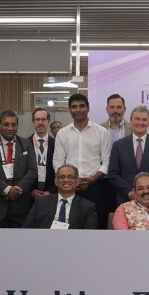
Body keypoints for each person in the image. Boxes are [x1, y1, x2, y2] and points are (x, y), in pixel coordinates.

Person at [52, 94, 111, 228]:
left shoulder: (102, 132)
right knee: (68, 224)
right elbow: (57, 161)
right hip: (68, 187)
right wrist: (69, 179)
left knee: (95, 224)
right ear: (70, 110)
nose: (78, 109)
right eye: (74, 107)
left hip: (94, 186)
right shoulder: (62, 133)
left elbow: (107, 162)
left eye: (81, 106)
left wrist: (92, 179)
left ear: (88, 108)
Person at [0, 109, 37, 228]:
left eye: (14, 124)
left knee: (20, 244)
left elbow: (32, 170)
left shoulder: (26, 144)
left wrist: (18, 189)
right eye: (6, 124)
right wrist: (6, 189)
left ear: (17, 126)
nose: (10, 128)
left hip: (20, 207)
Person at [108, 105, 149, 207]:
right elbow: (113, 174)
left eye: (144, 120)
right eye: (137, 119)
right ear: (130, 121)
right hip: (125, 200)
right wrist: (130, 192)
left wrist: (147, 191)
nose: (140, 123)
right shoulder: (118, 145)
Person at [22, 164, 97, 229]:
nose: (66, 180)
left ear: (77, 181)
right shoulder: (41, 202)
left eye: (70, 177)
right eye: (62, 177)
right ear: (56, 181)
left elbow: (90, 234)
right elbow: (27, 228)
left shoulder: (87, 206)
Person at [28, 108, 56, 200]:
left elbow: (60, 170)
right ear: (33, 122)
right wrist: (30, 190)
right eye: (37, 119)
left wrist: (51, 191)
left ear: (49, 121)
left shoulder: (56, 144)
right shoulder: (24, 144)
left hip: (51, 194)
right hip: (29, 195)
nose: (40, 122)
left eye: (43, 119)